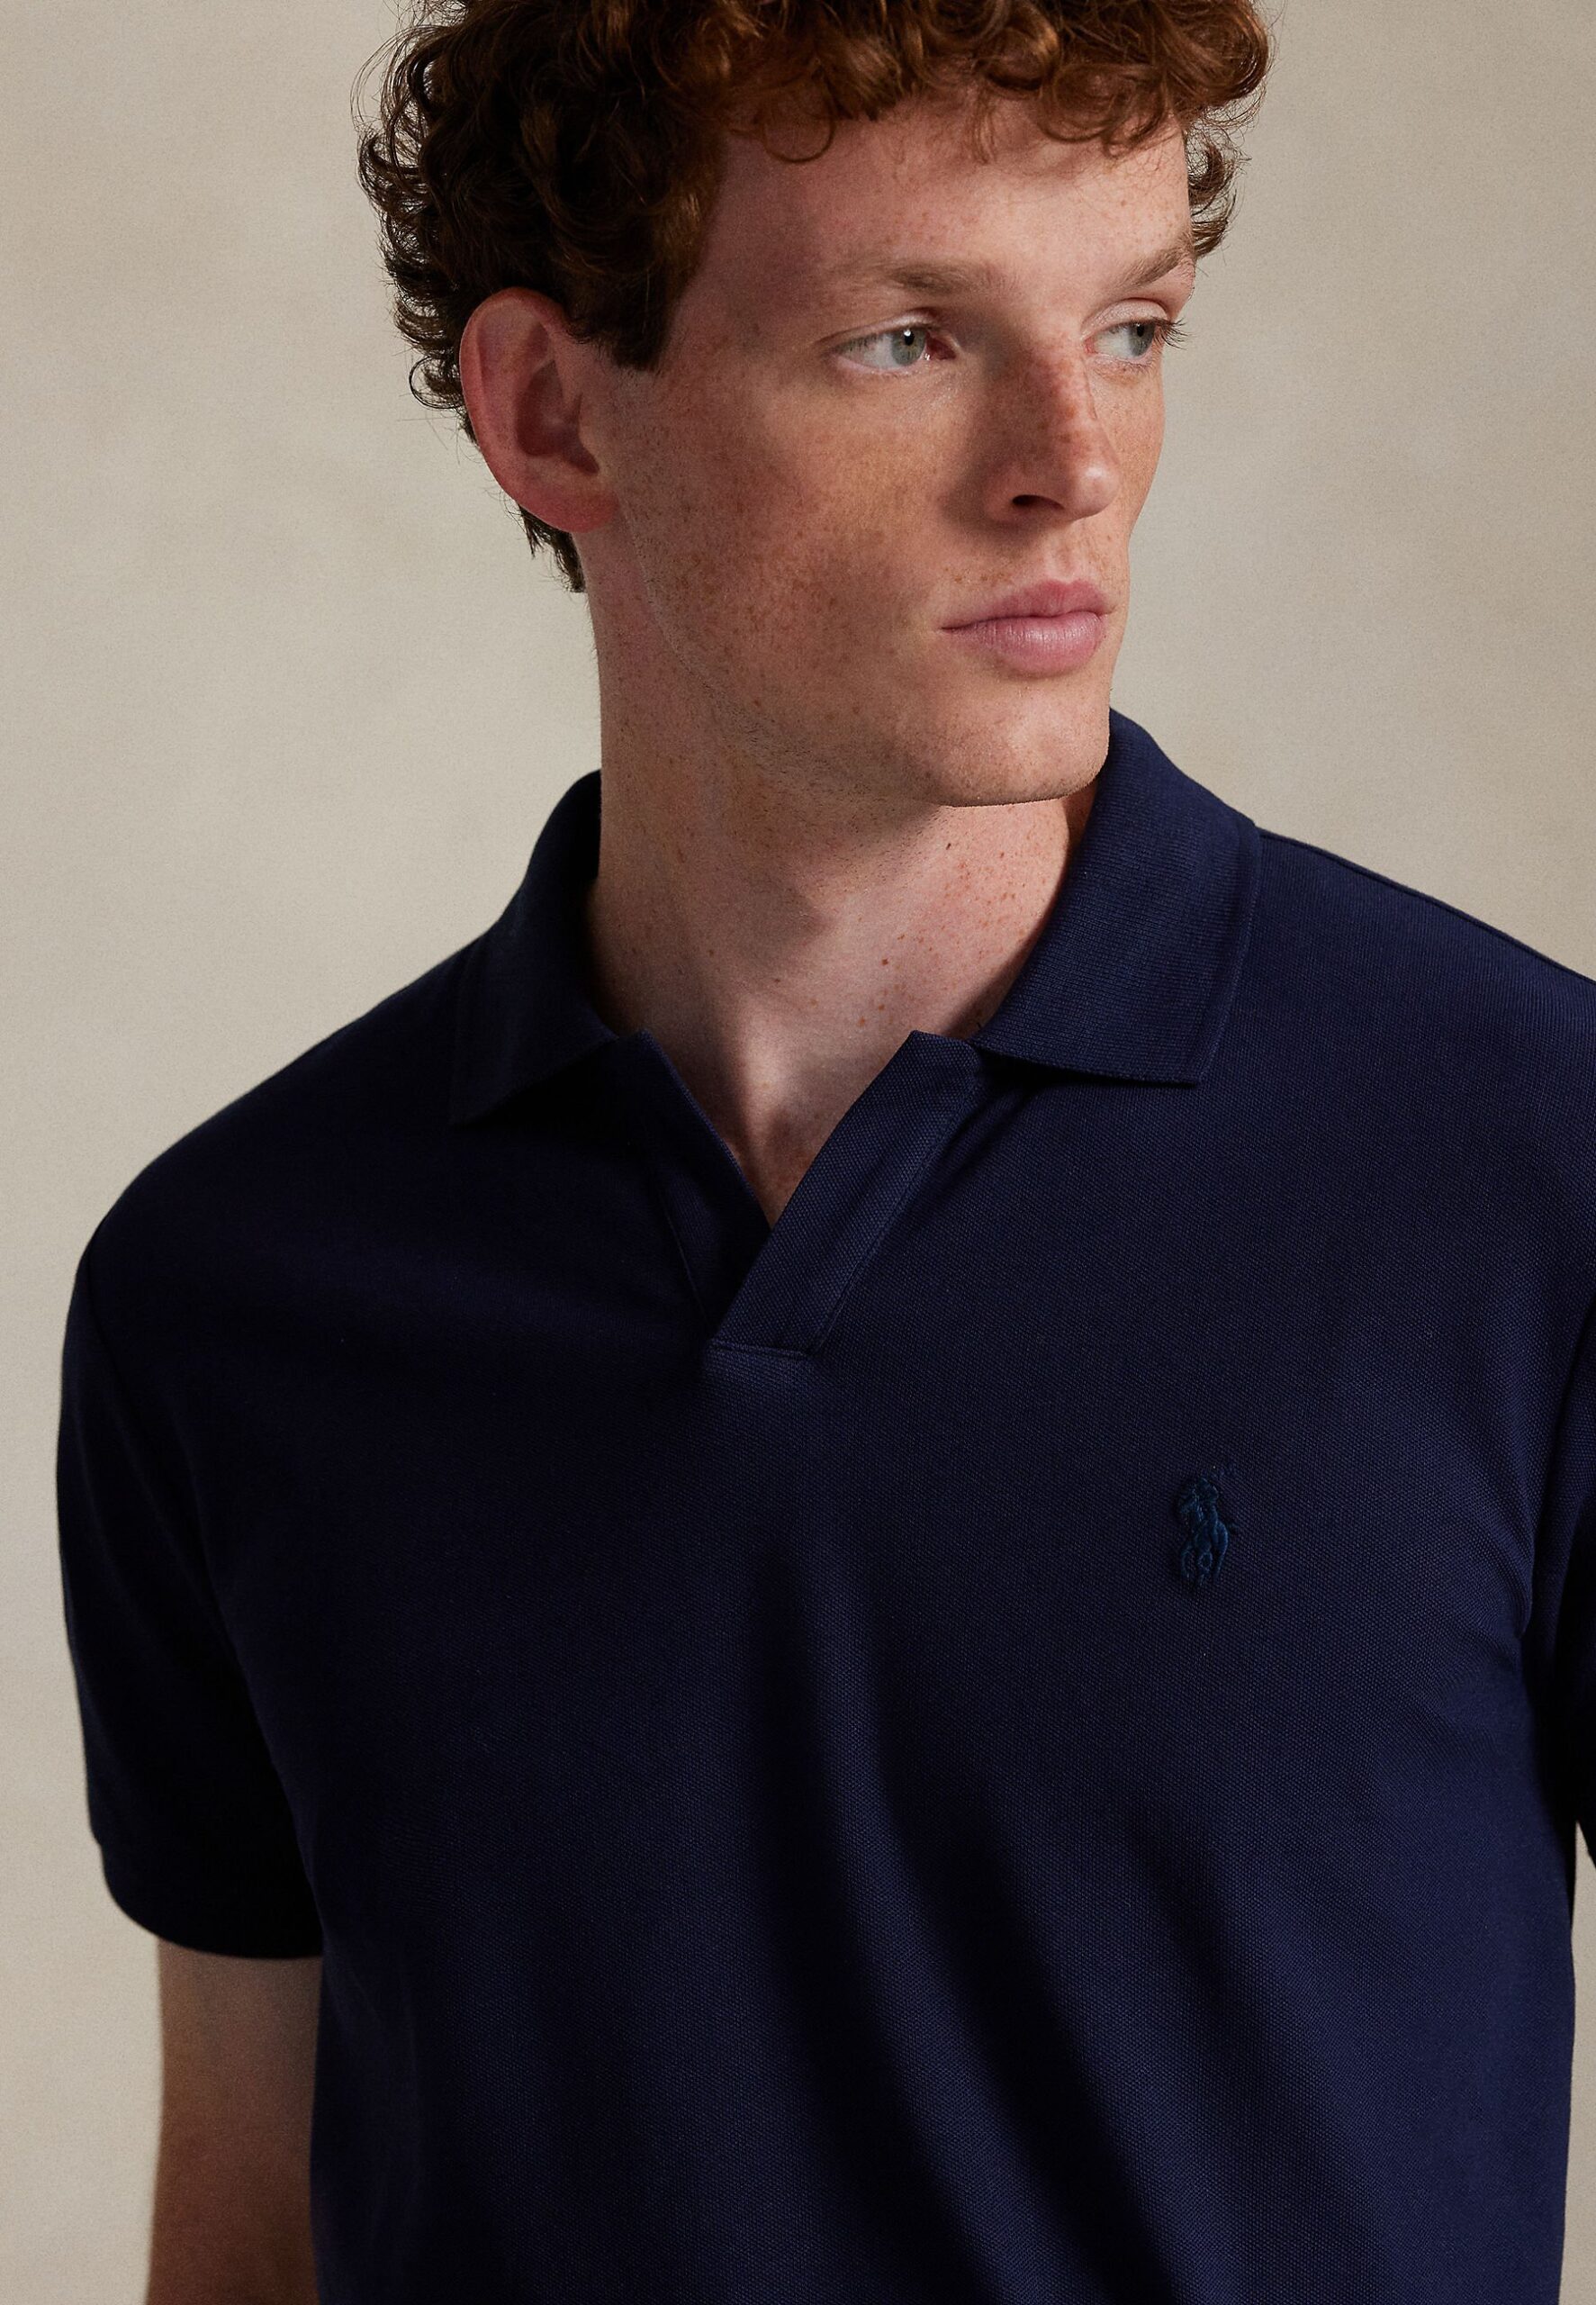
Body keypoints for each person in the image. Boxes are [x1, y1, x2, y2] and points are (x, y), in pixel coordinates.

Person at [52, 3, 1596, 2300]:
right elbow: (250, 2223)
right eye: (906, 340)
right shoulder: (233, 1290)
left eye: (1131, 326)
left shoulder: (1530, 1167)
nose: (1070, 462)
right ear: (549, 409)